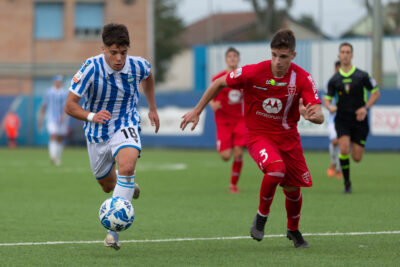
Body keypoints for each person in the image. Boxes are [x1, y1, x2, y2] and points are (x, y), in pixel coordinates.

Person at [181, 29, 324, 248]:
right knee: (276, 169)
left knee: (293, 190)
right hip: (259, 135)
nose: (277, 61)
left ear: (293, 55)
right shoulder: (254, 72)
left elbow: (316, 110)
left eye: (283, 56)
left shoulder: (303, 78)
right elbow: (219, 83)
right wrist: (197, 110)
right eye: (274, 54)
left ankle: (293, 231)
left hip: (288, 138)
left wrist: (316, 116)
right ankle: (261, 216)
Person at [65, 23, 160, 250]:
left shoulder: (137, 65)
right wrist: (91, 116)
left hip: (126, 123)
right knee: (107, 186)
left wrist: (152, 107)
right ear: (103, 49)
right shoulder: (90, 67)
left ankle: (112, 233)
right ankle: (127, 185)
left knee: (127, 166)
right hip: (97, 131)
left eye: (123, 52)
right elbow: (69, 106)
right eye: (114, 52)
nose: (119, 58)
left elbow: (148, 76)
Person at [325, 42, 380, 194]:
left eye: (348, 52)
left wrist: (365, 108)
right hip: (342, 119)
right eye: (342, 52)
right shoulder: (334, 80)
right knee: (343, 147)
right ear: (339, 55)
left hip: (360, 121)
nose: (345, 54)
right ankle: (347, 184)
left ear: (352, 55)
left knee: (356, 157)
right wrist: (329, 107)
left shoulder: (362, 76)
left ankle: (348, 150)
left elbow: (376, 92)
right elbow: (327, 99)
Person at [209, 47, 247, 193]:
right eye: (229, 56)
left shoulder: (244, 77)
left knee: (239, 153)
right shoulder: (217, 78)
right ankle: (226, 144)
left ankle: (233, 185)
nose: (232, 58)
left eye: (235, 56)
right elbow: (210, 96)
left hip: (239, 120)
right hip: (223, 121)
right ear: (226, 60)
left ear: (238, 59)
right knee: (225, 156)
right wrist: (212, 104)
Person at [38, 75, 69, 166]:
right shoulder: (48, 92)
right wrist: (41, 118)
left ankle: (58, 156)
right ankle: (53, 156)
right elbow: (44, 105)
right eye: (57, 81)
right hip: (51, 117)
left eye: (60, 81)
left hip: (62, 119)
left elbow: (66, 106)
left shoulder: (64, 93)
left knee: (60, 138)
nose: (58, 82)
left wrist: (64, 116)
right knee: (53, 135)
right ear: (54, 82)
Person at [323, 61, 342, 179]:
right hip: (333, 119)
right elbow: (326, 99)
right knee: (334, 141)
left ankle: (339, 169)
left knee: (343, 144)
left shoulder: (349, 82)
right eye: (337, 69)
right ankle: (333, 163)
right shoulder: (330, 83)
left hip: (345, 118)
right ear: (335, 69)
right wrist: (330, 107)